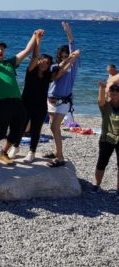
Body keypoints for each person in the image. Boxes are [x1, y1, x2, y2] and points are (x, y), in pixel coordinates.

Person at [0, 29, 41, 167]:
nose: (0, 51)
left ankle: (3, 153)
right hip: (2, 103)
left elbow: (26, 50)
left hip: (17, 103)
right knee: (1, 132)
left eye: (2, 49)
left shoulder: (10, 63)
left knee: (18, 131)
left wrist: (34, 36)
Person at [8, 31, 55, 163]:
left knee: (36, 128)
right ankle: (15, 147)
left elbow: (61, 70)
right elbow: (34, 57)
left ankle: (32, 152)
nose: (44, 64)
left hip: (40, 106)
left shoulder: (48, 77)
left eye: (47, 63)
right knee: (20, 126)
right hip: (26, 103)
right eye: (42, 61)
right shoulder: (31, 72)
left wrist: (70, 59)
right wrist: (37, 40)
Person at [45, 22, 82, 167]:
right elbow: (54, 76)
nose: (64, 58)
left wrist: (68, 31)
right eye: (62, 56)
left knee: (54, 127)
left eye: (66, 55)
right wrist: (68, 59)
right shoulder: (55, 67)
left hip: (63, 101)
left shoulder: (74, 67)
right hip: (50, 99)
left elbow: (73, 44)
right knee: (53, 127)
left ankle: (60, 158)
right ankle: (56, 151)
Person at [94, 82, 119, 192]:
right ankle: (96, 186)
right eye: (112, 90)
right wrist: (102, 88)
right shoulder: (106, 106)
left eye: (116, 91)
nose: (114, 93)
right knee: (101, 162)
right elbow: (100, 101)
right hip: (107, 138)